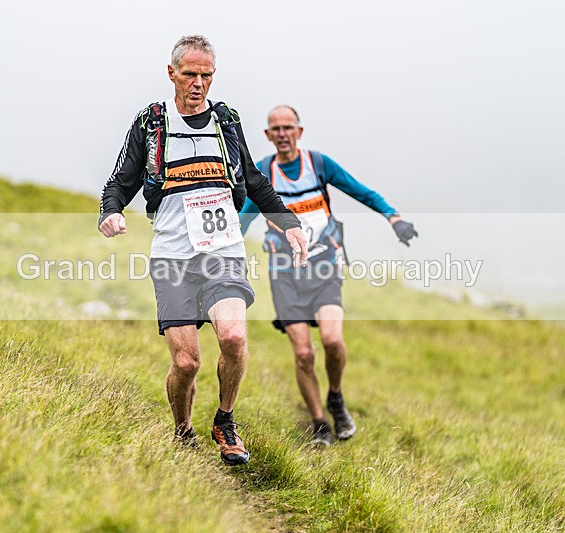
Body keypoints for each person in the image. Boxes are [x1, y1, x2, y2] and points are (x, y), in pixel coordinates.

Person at [99, 37, 308, 466]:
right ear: (172, 73)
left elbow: (253, 180)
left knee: (233, 337)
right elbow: (121, 180)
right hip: (173, 255)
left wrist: (288, 223)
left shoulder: (225, 121)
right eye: (190, 74)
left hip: (222, 250)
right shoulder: (152, 123)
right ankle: (182, 431)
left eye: (206, 75)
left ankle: (225, 421)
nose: (198, 83)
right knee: (186, 363)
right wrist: (111, 211)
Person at [239, 105, 418, 446]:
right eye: (276, 129)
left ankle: (335, 397)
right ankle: (320, 423)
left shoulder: (318, 165)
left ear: (299, 131)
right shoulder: (263, 173)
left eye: (288, 127)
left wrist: (393, 217)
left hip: (324, 268)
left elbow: (361, 191)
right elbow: (243, 219)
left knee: (333, 340)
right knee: (304, 353)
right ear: (267, 135)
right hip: (285, 274)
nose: (282, 134)